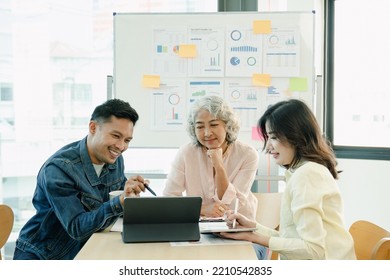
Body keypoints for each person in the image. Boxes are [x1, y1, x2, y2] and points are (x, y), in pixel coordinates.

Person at [220, 99, 356, 260]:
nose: (268, 147)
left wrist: (254, 237)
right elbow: (294, 239)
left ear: (296, 136)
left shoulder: (306, 175)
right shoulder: (302, 171)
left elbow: (313, 249)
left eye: (274, 137)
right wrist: (253, 228)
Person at [13, 99, 149, 260]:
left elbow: (112, 205)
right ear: (92, 127)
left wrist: (126, 191)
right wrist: (119, 202)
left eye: (127, 140)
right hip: (45, 256)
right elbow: (77, 227)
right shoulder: (59, 169)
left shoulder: (114, 158)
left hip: (86, 249)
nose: (121, 146)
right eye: (115, 136)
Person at [162, 95, 267, 259]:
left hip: (240, 232)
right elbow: (168, 199)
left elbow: (230, 203)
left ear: (227, 126)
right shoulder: (186, 152)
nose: (206, 133)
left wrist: (218, 164)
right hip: (198, 231)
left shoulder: (248, 154)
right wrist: (201, 210)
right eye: (199, 126)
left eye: (214, 125)